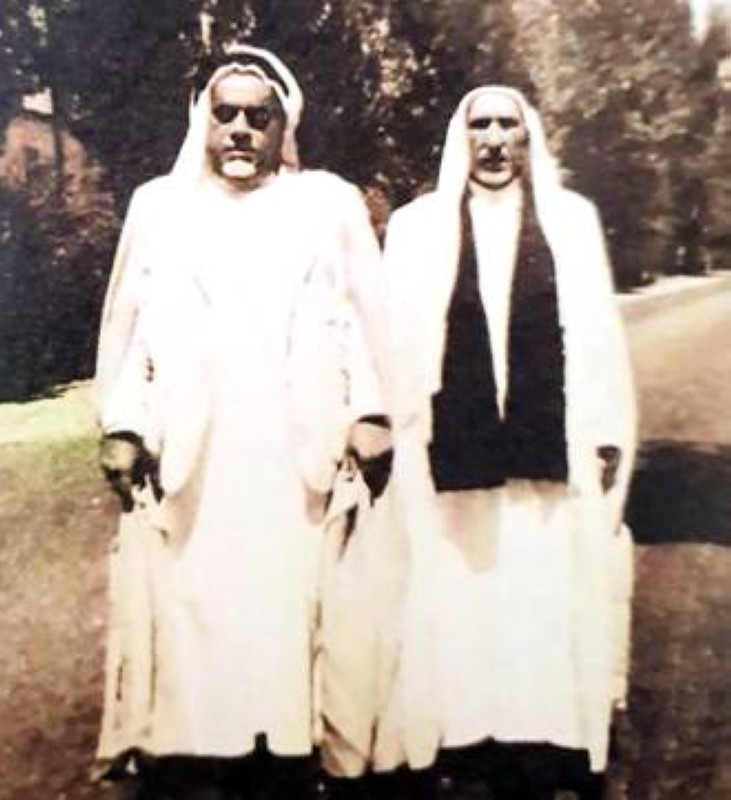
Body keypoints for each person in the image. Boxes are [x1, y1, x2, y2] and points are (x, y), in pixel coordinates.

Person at [94, 43, 390, 800]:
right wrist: (123, 425)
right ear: (202, 118)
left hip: (293, 454)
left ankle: (284, 752)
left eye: (258, 117)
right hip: (195, 456)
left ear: (282, 127)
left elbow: (362, 319)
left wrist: (370, 412)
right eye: (224, 113)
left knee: (287, 608)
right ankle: (197, 752)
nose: (239, 130)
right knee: (196, 607)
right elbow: (132, 332)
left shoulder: (324, 206)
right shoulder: (161, 208)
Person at [373, 87, 637, 799]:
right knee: (458, 586)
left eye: (507, 126)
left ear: (529, 137)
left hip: (549, 445)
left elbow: (597, 335)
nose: (492, 139)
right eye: (479, 125)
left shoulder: (569, 221)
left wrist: (605, 427)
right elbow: (393, 340)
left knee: (542, 583)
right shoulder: (417, 228)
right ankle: (463, 733)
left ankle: (545, 733)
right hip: (449, 449)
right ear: (460, 138)